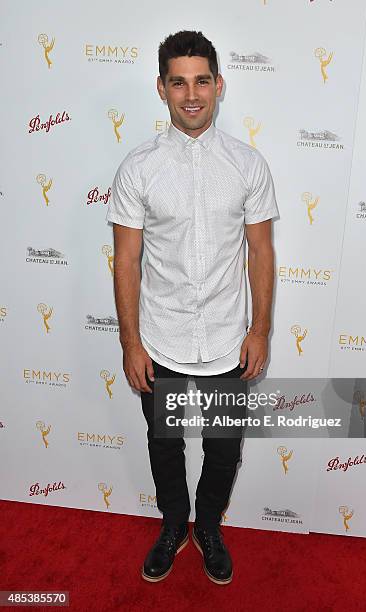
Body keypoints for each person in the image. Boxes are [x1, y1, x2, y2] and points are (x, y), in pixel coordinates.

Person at [105, 30, 278, 585]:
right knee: (165, 444)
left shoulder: (248, 164)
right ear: (161, 89)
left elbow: (261, 252)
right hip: (161, 336)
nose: (192, 93)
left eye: (202, 80)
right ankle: (174, 524)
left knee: (225, 447)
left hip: (230, 336)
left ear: (219, 85)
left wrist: (261, 331)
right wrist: (131, 342)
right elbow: (126, 261)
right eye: (178, 82)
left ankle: (208, 526)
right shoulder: (137, 168)